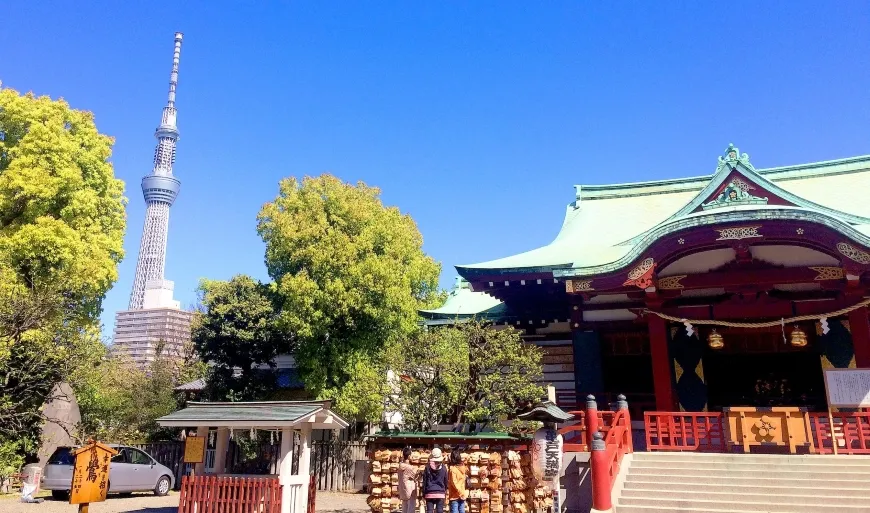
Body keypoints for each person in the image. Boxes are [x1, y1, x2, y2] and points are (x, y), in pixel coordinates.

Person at [422, 447, 448, 513]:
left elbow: (424, 481)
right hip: (440, 493)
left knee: (429, 511)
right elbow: (446, 481)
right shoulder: (444, 468)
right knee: (440, 510)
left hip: (429, 493)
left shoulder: (427, 467)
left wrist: (423, 493)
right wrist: (444, 490)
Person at [398, 447, 418, 513]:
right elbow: (416, 475)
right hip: (410, 491)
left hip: (403, 490)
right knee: (411, 509)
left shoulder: (400, 466)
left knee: (404, 509)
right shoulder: (409, 468)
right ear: (409, 456)